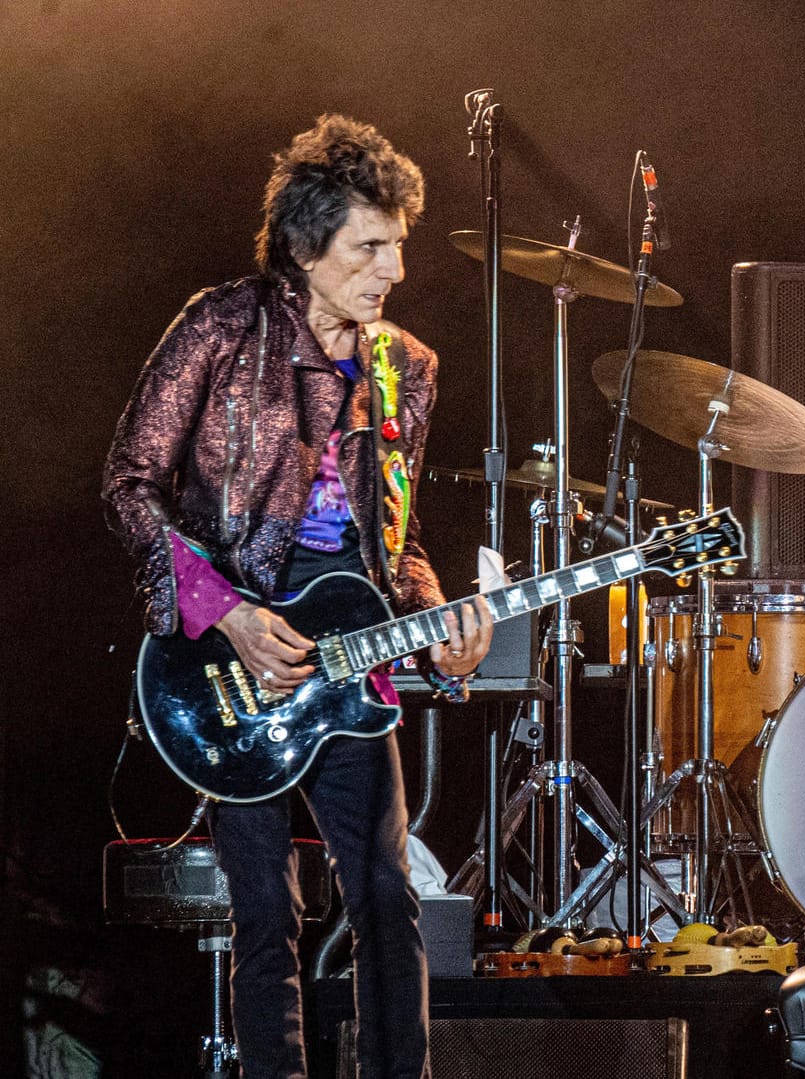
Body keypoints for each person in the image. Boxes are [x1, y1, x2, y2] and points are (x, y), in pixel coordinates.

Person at [104, 115, 492, 1079]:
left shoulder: (407, 366)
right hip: (229, 657)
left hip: (350, 655)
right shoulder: (221, 327)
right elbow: (126, 482)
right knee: (265, 913)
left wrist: (443, 617)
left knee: (386, 896)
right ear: (306, 244)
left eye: (398, 242)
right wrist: (223, 608)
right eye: (370, 244)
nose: (393, 266)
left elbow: (393, 542)